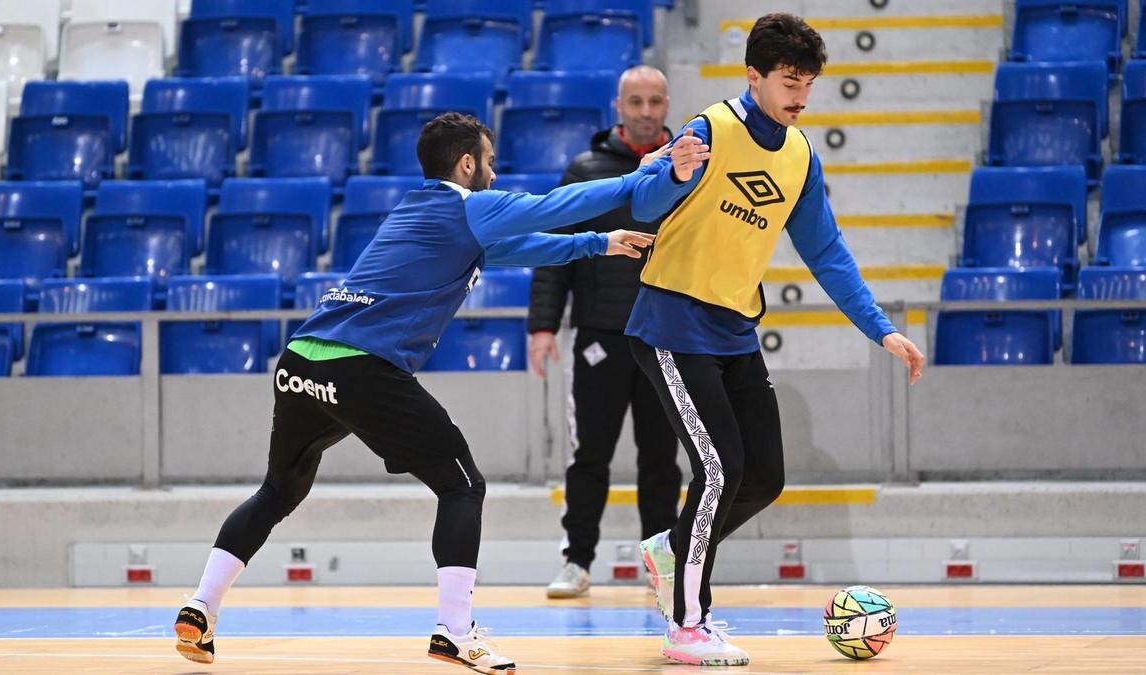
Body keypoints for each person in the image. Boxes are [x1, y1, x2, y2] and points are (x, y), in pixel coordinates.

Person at [170, 112, 710, 673]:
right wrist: (644, 177)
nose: (496, 175)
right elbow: (558, 204)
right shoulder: (467, 207)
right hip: (363, 369)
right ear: (467, 163)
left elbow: (518, 248)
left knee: (278, 491)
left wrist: (602, 243)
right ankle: (454, 631)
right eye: (491, 163)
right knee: (463, 486)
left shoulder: (417, 210)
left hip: (303, 361)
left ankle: (201, 605)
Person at [627, 14, 926, 667]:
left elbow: (828, 251)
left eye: (809, 84)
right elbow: (643, 205)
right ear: (754, 76)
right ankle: (687, 623)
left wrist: (881, 327)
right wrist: (670, 175)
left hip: (735, 330)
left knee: (763, 475)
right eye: (790, 82)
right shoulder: (709, 129)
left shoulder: (797, 155)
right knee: (719, 468)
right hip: (672, 324)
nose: (800, 97)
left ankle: (670, 552)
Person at [529, 66, 683, 599]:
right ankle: (577, 560)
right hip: (600, 336)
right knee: (588, 454)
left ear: (667, 105)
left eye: (654, 102)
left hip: (668, 336)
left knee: (662, 458)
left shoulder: (690, 168)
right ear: (619, 106)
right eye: (635, 102)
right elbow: (553, 253)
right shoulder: (586, 170)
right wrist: (543, 326)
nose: (645, 112)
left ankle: (662, 565)